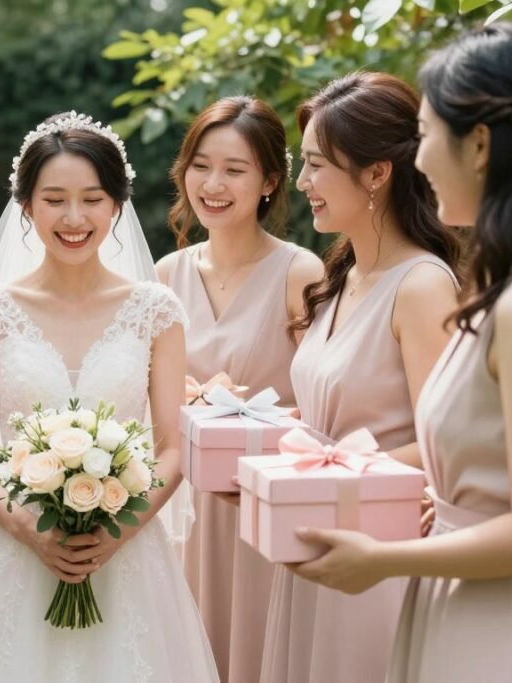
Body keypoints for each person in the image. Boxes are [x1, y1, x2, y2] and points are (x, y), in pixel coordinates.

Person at [291, 24, 512, 683]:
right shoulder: (503, 290)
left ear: (478, 145)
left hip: (501, 619)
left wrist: (383, 560)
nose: (417, 161)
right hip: (456, 598)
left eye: (427, 134)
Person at [0, 112, 218, 682]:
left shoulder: (156, 311)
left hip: (127, 555)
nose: (74, 218)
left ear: (117, 205)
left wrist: (116, 533)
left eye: (92, 199)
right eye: (54, 199)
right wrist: (31, 528)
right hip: (14, 548)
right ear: (26, 206)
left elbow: (174, 448)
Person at [260, 72, 460, 683]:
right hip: (318, 534)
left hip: (376, 554)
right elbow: (334, 415)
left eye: (317, 165)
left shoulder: (422, 286)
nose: (301, 184)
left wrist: (319, 473)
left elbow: (441, 445)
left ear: (377, 173)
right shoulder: (342, 275)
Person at [155, 96, 322, 681]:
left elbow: (320, 408)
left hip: (263, 503)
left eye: (235, 168)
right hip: (182, 507)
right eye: (201, 165)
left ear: (271, 181)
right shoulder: (164, 277)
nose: (213, 183)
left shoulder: (302, 274)